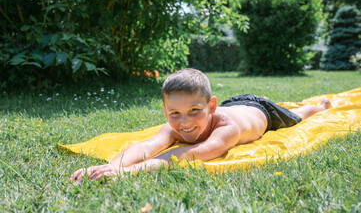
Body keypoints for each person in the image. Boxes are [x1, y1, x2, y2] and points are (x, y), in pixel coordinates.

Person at [71, 68, 332, 182]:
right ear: (165, 110)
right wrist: (112, 166)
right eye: (174, 113)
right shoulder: (176, 125)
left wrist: (129, 173)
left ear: (210, 107)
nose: (183, 123)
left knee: (297, 116)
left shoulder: (227, 129)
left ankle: (320, 106)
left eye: (193, 111)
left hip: (262, 111)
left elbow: (188, 154)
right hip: (233, 102)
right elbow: (149, 145)